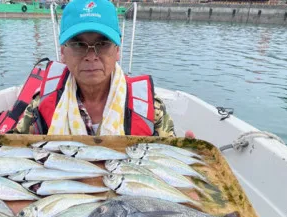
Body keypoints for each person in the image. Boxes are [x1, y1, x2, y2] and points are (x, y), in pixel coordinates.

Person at [14, 0, 175, 137]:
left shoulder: (151, 108)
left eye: (103, 43)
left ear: (117, 50)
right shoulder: (42, 102)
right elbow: (15, 147)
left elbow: (170, 156)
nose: (91, 56)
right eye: (78, 44)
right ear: (63, 52)